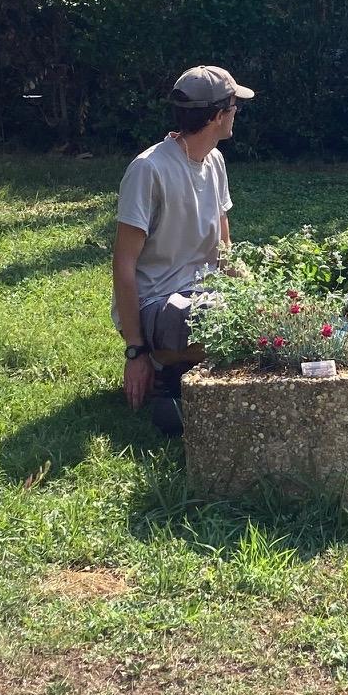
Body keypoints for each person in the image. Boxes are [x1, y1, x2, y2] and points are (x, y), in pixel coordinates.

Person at [112, 65, 253, 435]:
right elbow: (123, 264)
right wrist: (135, 351)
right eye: (234, 107)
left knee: (259, 318)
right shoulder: (148, 169)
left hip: (206, 295)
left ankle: (180, 378)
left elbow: (225, 249)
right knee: (222, 325)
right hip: (159, 305)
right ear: (219, 115)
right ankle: (167, 369)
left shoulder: (216, 162)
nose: (237, 113)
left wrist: (258, 294)